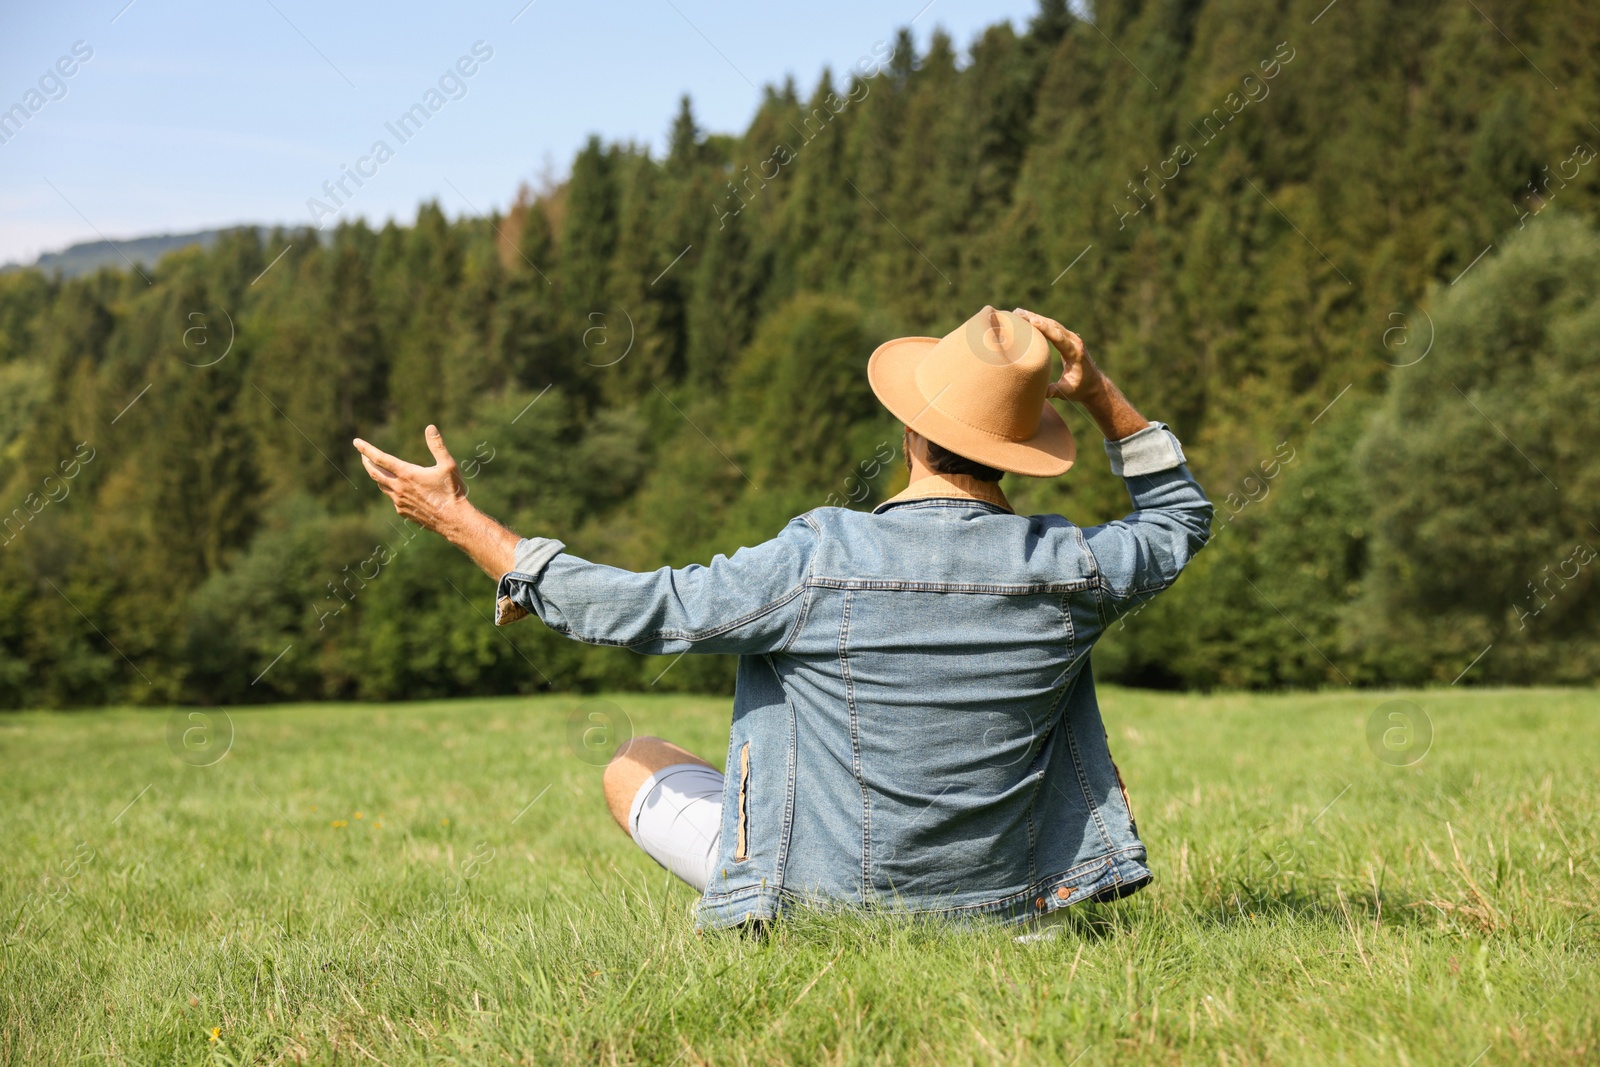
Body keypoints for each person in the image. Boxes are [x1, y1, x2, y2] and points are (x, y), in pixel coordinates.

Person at [354, 306, 1212, 929]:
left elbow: (637, 607)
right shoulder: (1074, 568)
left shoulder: (816, 556)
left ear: (911, 430)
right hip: (1016, 911)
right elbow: (1180, 518)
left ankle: (769, 902)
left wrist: (462, 522)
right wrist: (1101, 394)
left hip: (825, 909)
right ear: (1022, 450)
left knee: (632, 764)